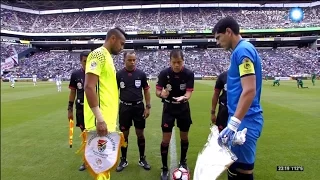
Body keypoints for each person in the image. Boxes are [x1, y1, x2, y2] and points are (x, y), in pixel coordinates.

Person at [213, 16, 264, 180]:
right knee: (233, 168)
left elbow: (249, 90)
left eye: (218, 37)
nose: (217, 42)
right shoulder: (240, 51)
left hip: (245, 121)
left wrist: (234, 124)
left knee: (243, 171)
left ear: (228, 32)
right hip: (239, 118)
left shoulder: (243, 51)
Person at [83, 27, 126, 180]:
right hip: (100, 121)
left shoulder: (107, 57)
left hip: (107, 119)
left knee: (103, 165)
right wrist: (100, 119)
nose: (122, 48)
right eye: (121, 44)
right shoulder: (98, 54)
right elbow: (89, 87)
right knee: (100, 166)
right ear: (112, 39)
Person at [155, 49, 195, 180]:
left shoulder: (189, 74)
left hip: (183, 108)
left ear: (183, 61)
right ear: (170, 62)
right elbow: (157, 91)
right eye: (174, 62)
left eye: (179, 62)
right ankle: (164, 168)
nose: (177, 65)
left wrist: (184, 97)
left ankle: (183, 161)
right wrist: (162, 94)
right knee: (165, 139)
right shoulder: (164, 73)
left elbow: (189, 93)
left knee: (184, 137)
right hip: (169, 109)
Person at [115, 51, 151, 172]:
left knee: (140, 134)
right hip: (124, 108)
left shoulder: (141, 74)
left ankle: (142, 158)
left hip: (138, 107)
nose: (132, 62)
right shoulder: (119, 74)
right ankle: (123, 159)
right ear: (124, 60)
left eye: (134, 60)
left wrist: (148, 107)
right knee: (124, 135)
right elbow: (114, 92)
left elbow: (146, 90)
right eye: (130, 60)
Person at [67, 51, 90, 171]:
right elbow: (72, 92)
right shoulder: (76, 74)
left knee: (96, 135)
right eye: (85, 61)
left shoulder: (96, 73)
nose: (87, 63)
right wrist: (69, 109)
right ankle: (85, 161)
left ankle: (97, 160)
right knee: (85, 136)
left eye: (89, 61)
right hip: (81, 108)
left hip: (93, 109)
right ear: (81, 61)